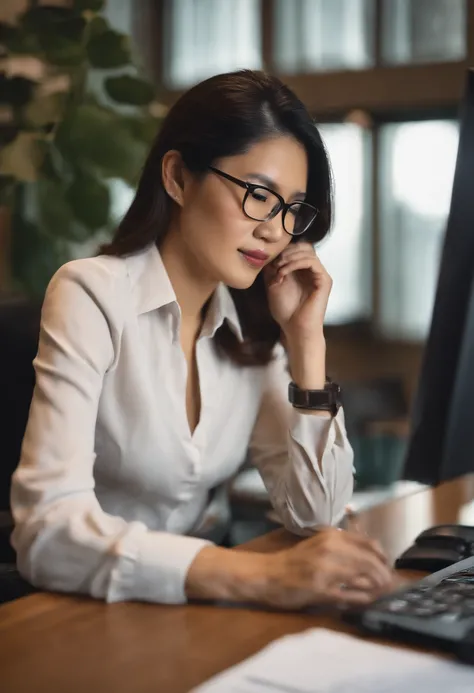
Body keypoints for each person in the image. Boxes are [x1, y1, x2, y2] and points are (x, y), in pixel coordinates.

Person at [11, 70, 392, 610]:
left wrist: (307, 344)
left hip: (193, 610)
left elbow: (316, 515)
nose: (274, 230)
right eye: (259, 195)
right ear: (177, 178)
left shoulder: (253, 327)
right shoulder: (90, 293)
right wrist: (256, 575)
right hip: (85, 611)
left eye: (292, 209)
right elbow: (47, 531)